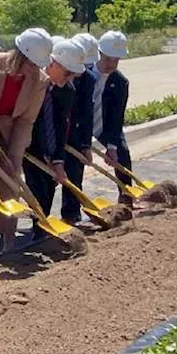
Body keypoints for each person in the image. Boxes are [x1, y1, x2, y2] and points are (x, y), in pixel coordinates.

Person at [0, 27, 52, 243]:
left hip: (10, 130)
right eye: (31, 64)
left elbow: (26, 121)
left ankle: (7, 235)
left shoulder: (40, 81)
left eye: (37, 65)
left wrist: (15, 157)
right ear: (19, 55)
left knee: (10, 179)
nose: (34, 69)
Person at [24, 39, 87, 229]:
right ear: (52, 63)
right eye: (67, 73)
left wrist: (58, 160)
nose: (69, 79)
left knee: (49, 186)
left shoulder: (67, 91)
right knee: (35, 186)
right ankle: (33, 227)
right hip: (26, 142)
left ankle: (41, 228)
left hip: (49, 147)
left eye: (72, 75)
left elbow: (61, 127)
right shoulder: (32, 83)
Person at [60, 34, 100, 225]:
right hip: (56, 130)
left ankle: (71, 214)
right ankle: (40, 222)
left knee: (75, 173)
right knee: (51, 177)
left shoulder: (89, 79)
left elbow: (87, 112)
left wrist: (85, 144)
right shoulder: (59, 71)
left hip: (75, 132)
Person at [89, 31, 133, 203]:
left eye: (116, 60)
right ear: (99, 53)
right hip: (81, 123)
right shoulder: (84, 73)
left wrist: (112, 147)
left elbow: (117, 117)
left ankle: (126, 196)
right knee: (73, 164)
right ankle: (71, 211)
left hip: (104, 125)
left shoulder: (121, 82)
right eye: (108, 59)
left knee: (123, 153)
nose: (111, 64)